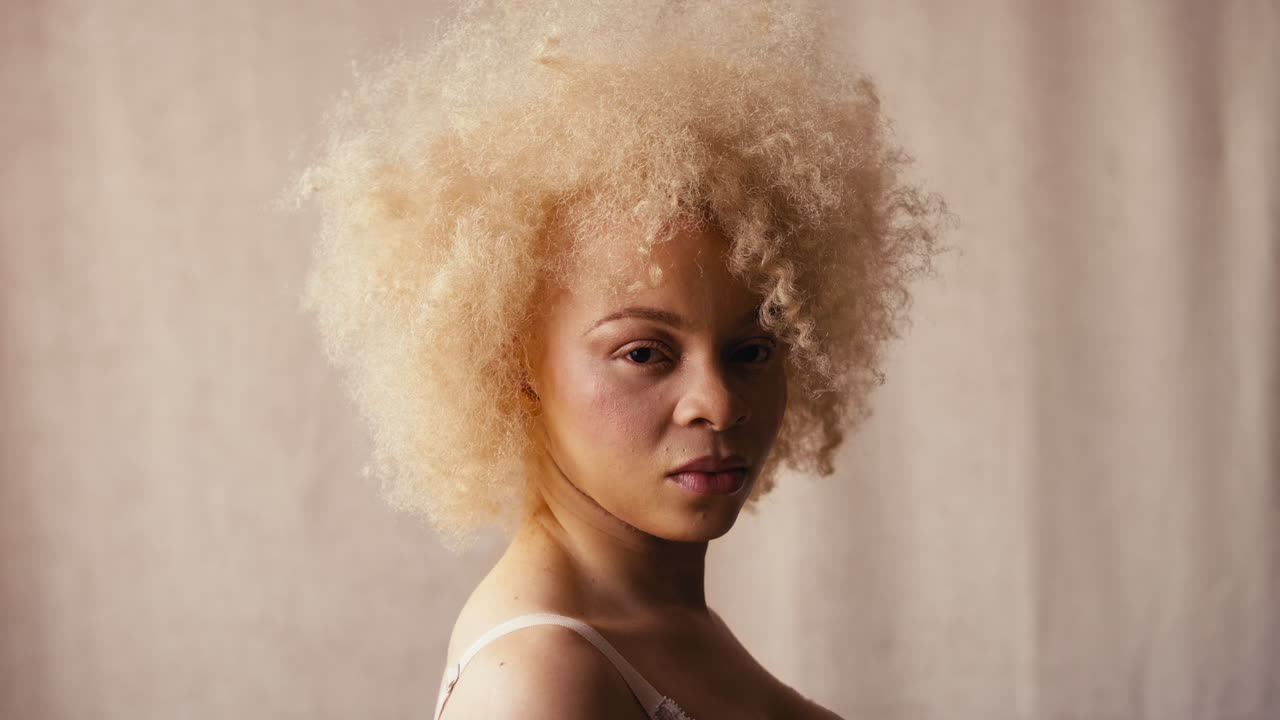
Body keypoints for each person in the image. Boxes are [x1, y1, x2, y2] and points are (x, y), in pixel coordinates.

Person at [289, 1, 945, 717]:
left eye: (752, 348)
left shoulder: (659, 619)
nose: (719, 403)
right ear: (514, 365)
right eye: (644, 352)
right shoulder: (541, 679)